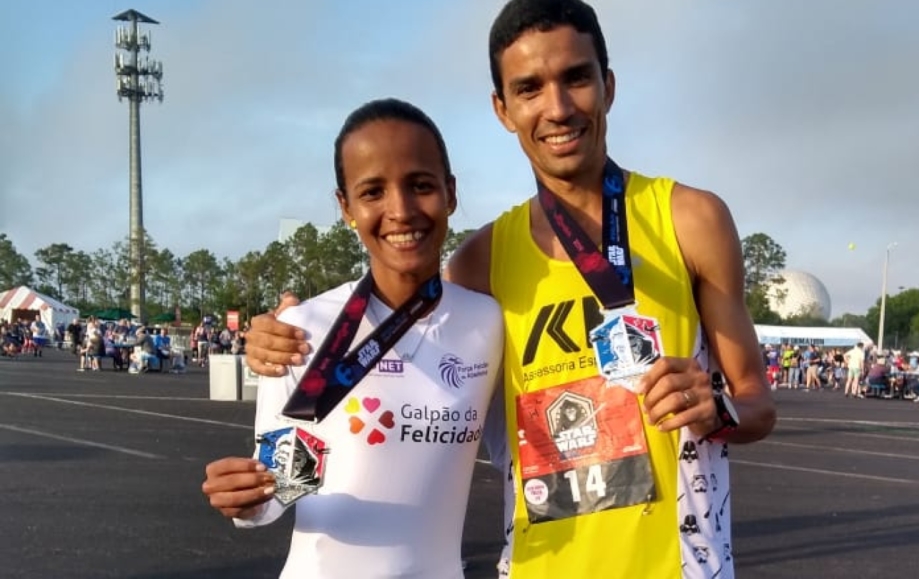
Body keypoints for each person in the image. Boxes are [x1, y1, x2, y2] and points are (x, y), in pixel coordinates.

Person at [243, 1, 776, 577]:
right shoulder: (481, 260)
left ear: (609, 85)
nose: (558, 107)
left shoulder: (690, 219)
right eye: (529, 88)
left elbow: (756, 404)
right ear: (502, 109)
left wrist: (713, 408)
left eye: (576, 77)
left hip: (679, 566)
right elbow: (397, 342)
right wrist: (282, 336)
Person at [201, 98, 504, 579]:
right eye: (372, 192)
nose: (401, 211)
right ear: (345, 207)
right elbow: (280, 486)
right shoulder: (302, 330)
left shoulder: (487, 323)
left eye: (420, 186)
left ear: (450, 192)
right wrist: (247, 498)